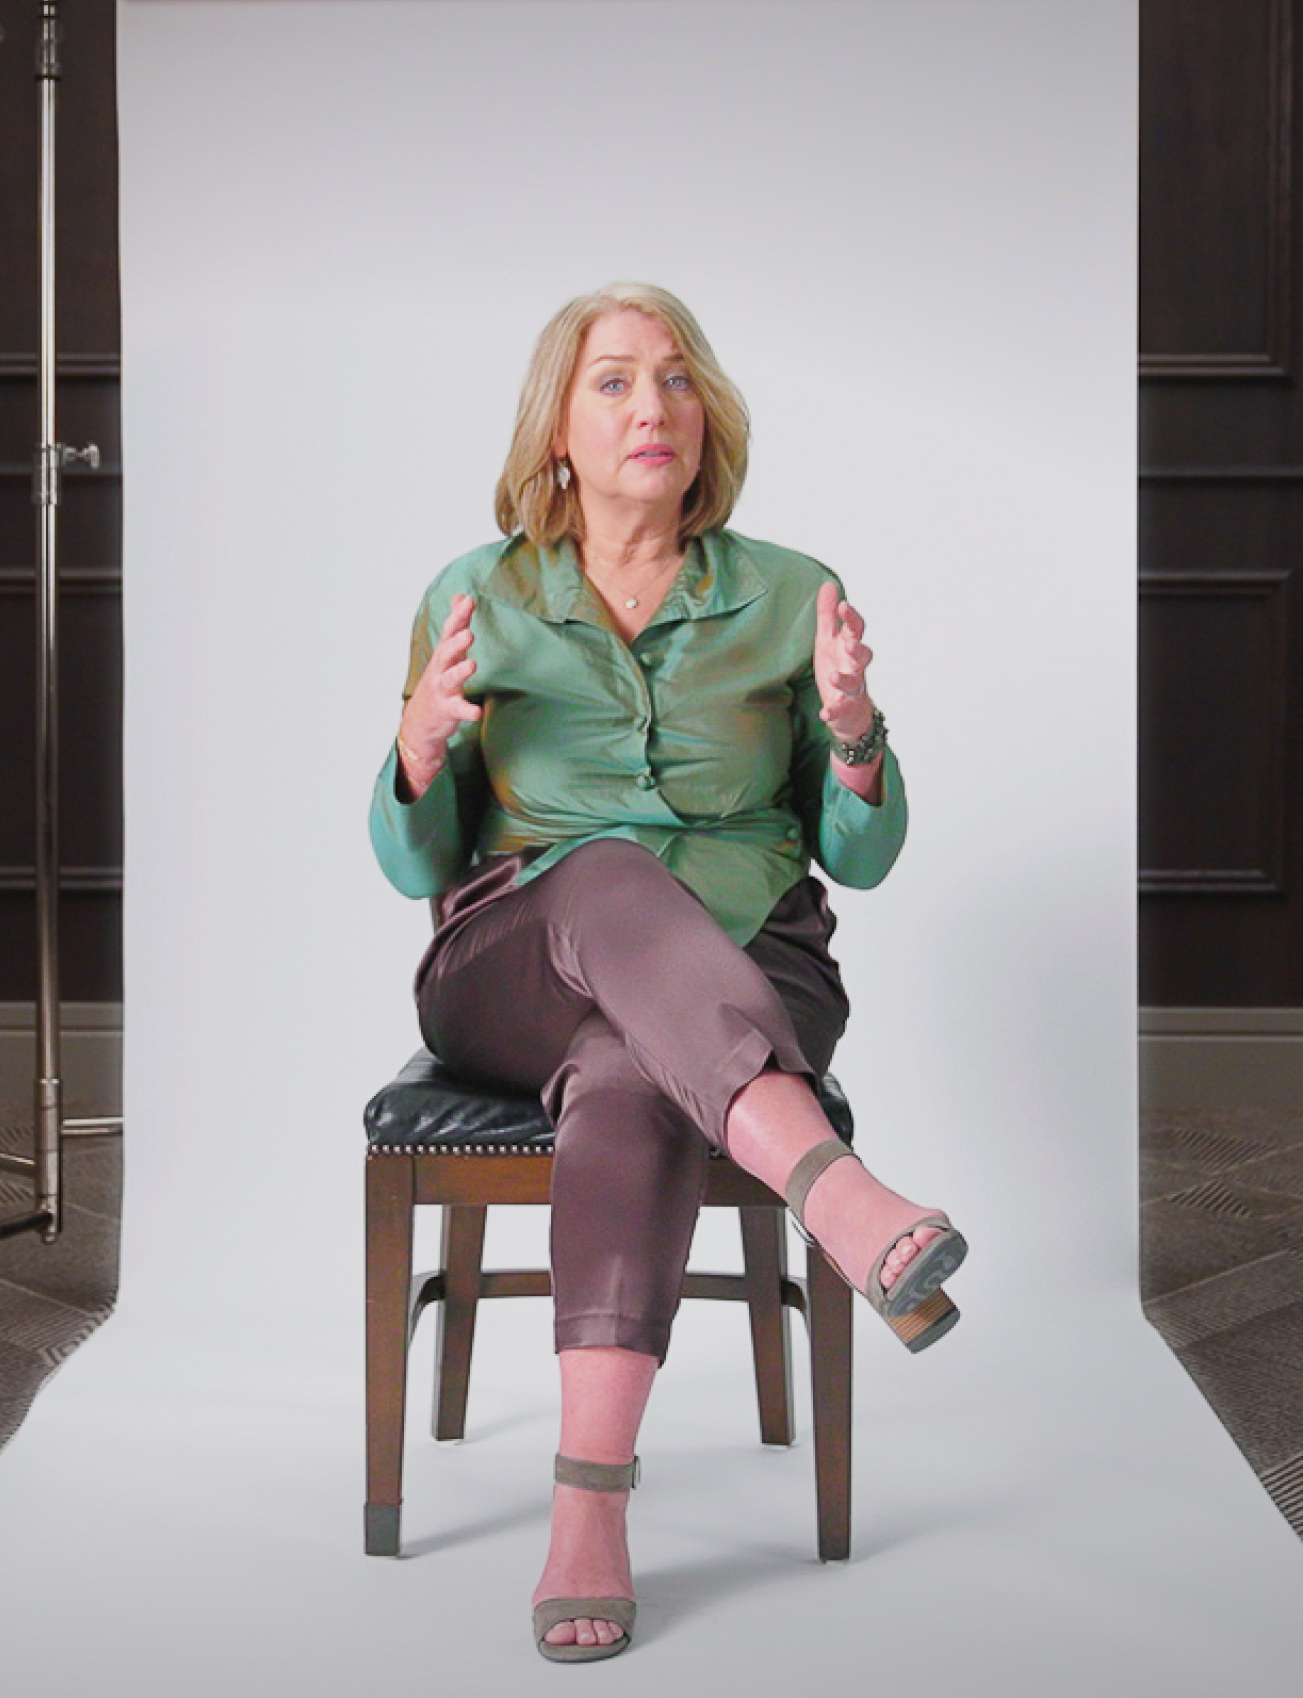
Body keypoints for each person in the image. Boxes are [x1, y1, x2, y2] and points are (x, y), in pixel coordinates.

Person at [366, 283, 966, 1664]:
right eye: (618, 382)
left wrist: (861, 739)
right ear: (558, 431)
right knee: (608, 870)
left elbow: (860, 855)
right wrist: (413, 753)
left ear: (711, 421)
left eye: (679, 380)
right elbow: (416, 866)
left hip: (751, 969)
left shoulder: (790, 593)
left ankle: (587, 1511)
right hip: (507, 965)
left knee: (635, 1067)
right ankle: (837, 1191)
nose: (655, 407)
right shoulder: (476, 594)